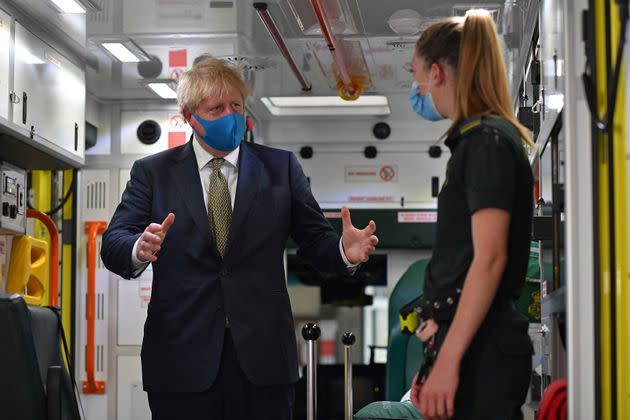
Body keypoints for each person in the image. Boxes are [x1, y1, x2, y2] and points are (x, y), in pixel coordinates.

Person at [100, 57, 379, 420]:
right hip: (180, 360)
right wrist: (139, 247)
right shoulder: (153, 172)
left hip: (263, 360)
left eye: (236, 106)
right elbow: (114, 241)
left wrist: (345, 251)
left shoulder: (281, 168)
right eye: (216, 108)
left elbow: (315, 241)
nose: (230, 116)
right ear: (189, 116)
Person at [407, 10, 535, 420]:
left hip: (482, 352)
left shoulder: (486, 143)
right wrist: (437, 355)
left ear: (438, 72)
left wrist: (448, 361)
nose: (420, 89)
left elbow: (490, 258)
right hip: (471, 348)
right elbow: (461, 266)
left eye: (418, 76)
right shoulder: (476, 143)